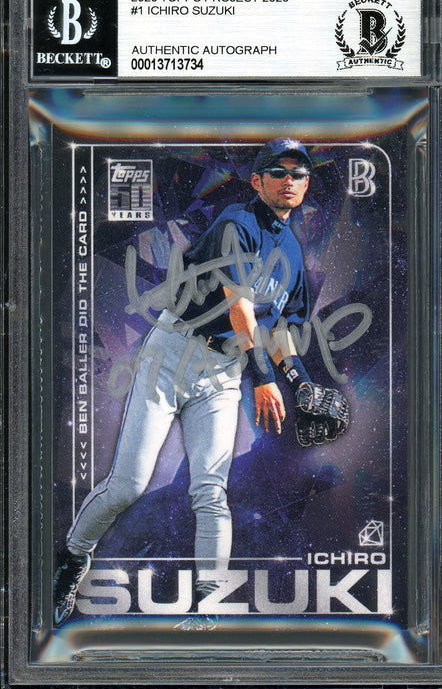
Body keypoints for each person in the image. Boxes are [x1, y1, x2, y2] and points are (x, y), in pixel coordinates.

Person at [53, 138, 315, 626]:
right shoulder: (237, 223)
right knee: (128, 484)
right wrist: (264, 377)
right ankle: (72, 557)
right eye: (278, 172)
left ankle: (206, 606)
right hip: (174, 352)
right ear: (257, 181)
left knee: (211, 492)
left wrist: (301, 383)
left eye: (298, 174)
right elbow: (238, 307)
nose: (289, 181)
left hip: (223, 371)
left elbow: (281, 330)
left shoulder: (293, 254)